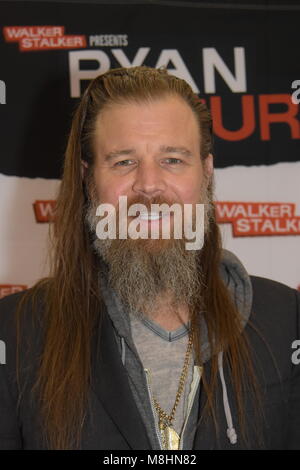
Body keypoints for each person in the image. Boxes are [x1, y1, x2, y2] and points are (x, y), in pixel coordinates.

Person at [0, 66, 299, 450]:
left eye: (172, 159)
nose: (149, 185)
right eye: (124, 161)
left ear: (206, 173)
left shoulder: (286, 321)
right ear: (89, 180)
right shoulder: (16, 333)